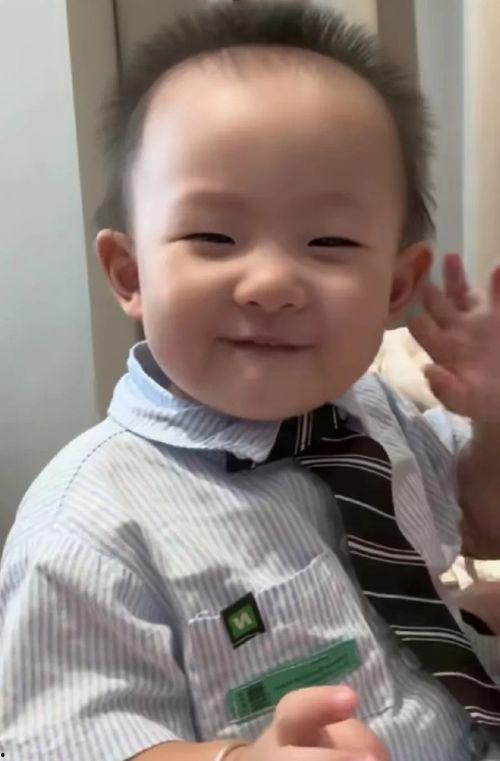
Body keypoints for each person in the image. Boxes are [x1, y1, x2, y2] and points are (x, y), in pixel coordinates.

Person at [1, 2, 500, 760]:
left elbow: (480, 523)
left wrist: (493, 420)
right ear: (130, 274)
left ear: (396, 287)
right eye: (213, 236)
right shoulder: (89, 526)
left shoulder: (374, 412)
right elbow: (70, 738)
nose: (270, 284)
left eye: (328, 241)